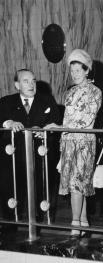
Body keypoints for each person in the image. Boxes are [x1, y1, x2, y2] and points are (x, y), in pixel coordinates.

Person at [45, 49, 102, 236]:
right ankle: (83, 222)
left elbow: (84, 121)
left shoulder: (95, 92)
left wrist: (60, 127)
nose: (75, 74)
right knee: (76, 184)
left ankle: (75, 223)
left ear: (87, 71)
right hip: (69, 141)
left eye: (79, 70)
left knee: (77, 184)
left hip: (84, 142)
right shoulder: (70, 92)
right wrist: (58, 127)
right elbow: (68, 120)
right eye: (72, 71)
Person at [0, 69, 61, 224]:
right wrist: (9, 123)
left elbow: (57, 122)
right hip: (13, 158)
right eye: (26, 81)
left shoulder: (47, 100)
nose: (31, 84)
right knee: (11, 193)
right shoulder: (6, 102)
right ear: (17, 85)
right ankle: (10, 226)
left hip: (39, 157)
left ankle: (37, 226)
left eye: (33, 80)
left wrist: (46, 131)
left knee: (39, 194)